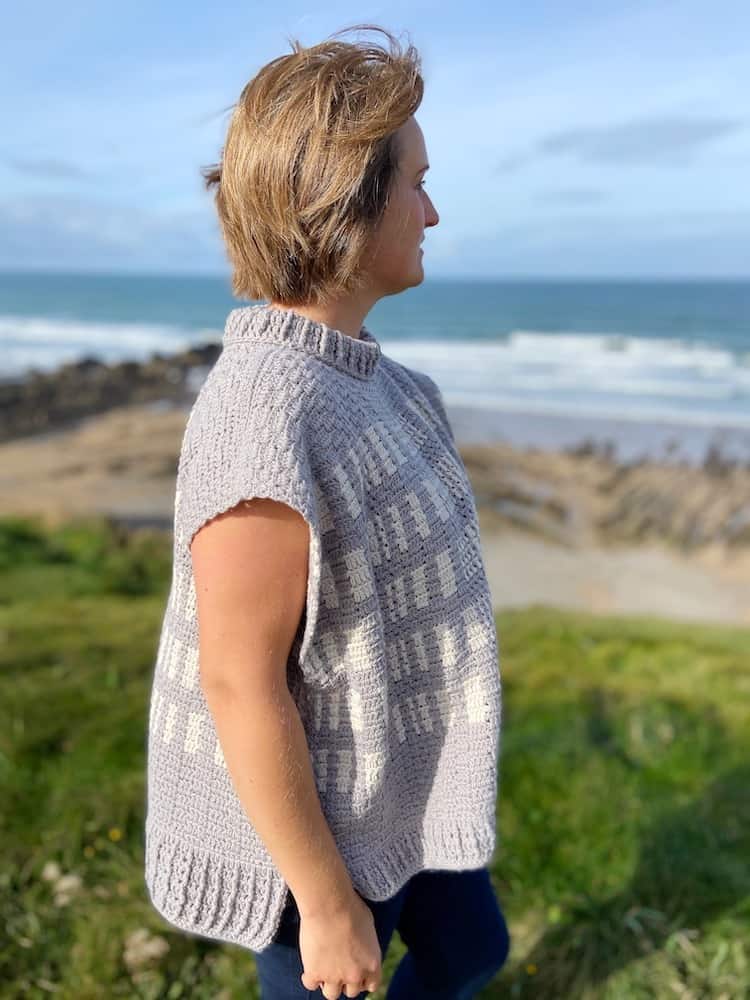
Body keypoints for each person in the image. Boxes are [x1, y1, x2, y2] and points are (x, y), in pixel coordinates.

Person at [144, 23, 510, 999]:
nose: (432, 212)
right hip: (319, 833)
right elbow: (237, 680)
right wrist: (327, 902)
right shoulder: (263, 414)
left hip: (402, 788)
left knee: (473, 951)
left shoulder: (391, 389)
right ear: (345, 205)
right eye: (416, 183)